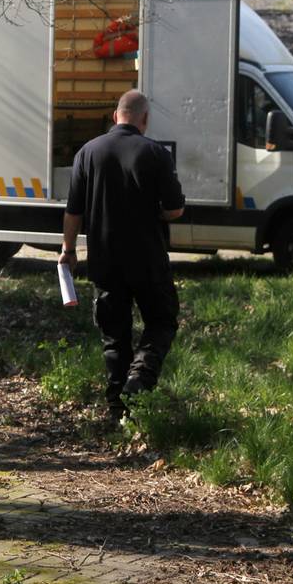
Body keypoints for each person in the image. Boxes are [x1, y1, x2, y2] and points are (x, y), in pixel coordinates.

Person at [60, 90, 185, 425]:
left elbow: (74, 211)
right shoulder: (156, 153)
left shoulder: (88, 152)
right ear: (144, 119)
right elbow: (174, 209)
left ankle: (117, 411)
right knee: (162, 319)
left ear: (115, 116)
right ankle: (140, 379)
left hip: (105, 260)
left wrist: (68, 250)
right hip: (147, 258)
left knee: (114, 335)